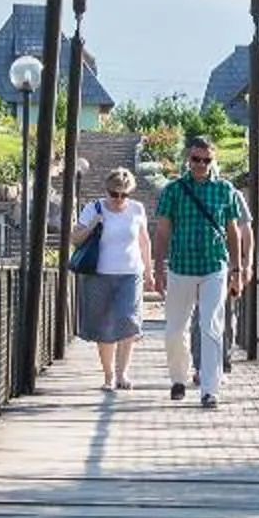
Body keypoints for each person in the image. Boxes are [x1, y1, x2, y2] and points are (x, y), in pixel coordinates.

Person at [152, 136, 251, 410]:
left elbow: (233, 231)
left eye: (206, 160)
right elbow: (161, 231)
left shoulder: (224, 190)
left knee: (211, 326)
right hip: (181, 266)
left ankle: (210, 389)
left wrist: (237, 268)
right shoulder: (173, 190)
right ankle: (178, 378)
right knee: (175, 329)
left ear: (213, 160)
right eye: (196, 159)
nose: (201, 165)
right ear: (188, 158)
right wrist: (158, 266)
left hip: (213, 266)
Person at [70, 167, 155, 392]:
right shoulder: (93, 208)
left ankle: (122, 373)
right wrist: (92, 225)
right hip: (99, 274)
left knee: (127, 321)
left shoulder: (137, 209)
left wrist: (149, 272)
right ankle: (108, 375)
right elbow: (74, 238)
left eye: (124, 194)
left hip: (130, 273)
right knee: (104, 326)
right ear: (106, 190)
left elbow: (144, 241)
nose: (118, 199)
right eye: (114, 193)